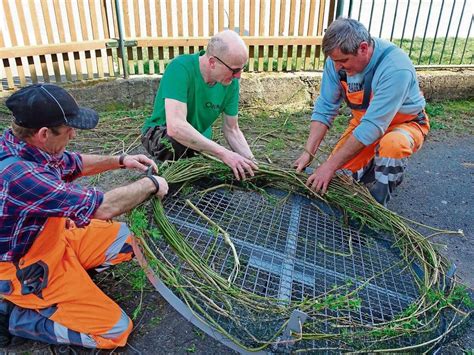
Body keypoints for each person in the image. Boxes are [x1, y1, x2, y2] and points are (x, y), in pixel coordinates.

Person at [0, 84, 168, 349]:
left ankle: (75, 279)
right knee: (116, 331)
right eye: (68, 131)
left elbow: (73, 162)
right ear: (44, 134)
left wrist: (121, 160)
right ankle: (15, 316)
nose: (73, 135)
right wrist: (151, 185)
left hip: (56, 242)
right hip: (28, 269)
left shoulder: (29, 146)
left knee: (131, 237)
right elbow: (103, 208)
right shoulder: (20, 175)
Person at [293, 18, 429, 206]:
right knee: (340, 177)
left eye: (343, 61)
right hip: (364, 123)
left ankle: (377, 208)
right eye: (334, 61)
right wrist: (309, 152)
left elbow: (373, 126)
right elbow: (325, 107)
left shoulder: (396, 68)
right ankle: (374, 164)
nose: (337, 67)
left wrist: (329, 166)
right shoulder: (336, 62)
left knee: (392, 145)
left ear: (363, 48)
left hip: (404, 125)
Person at [141, 30, 257, 181]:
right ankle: (158, 177)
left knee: (214, 166)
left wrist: (252, 163)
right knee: (178, 143)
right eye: (235, 70)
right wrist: (224, 153)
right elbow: (175, 127)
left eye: (242, 68)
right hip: (161, 136)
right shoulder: (180, 68)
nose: (238, 76)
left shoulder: (230, 82)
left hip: (196, 144)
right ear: (212, 62)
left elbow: (232, 129)